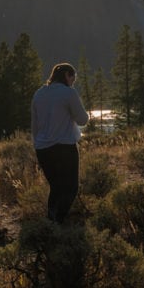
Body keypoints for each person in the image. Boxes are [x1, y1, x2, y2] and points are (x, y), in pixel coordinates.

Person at [31, 62, 90, 223]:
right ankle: (59, 221)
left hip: (43, 148)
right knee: (71, 188)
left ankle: (50, 221)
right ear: (66, 75)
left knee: (56, 187)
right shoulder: (68, 93)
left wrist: (37, 144)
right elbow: (82, 119)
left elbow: (34, 126)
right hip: (65, 147)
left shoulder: (38, 94)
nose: (73, 82)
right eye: (73, 78)